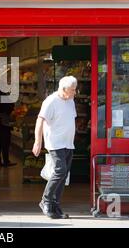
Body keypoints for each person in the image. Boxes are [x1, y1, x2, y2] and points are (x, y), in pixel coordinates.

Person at [32, 76, 77, 219]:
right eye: (72, 90)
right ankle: (46, 201)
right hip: (55, 143)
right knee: (60, 171)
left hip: (68, 143)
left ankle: (55, 206)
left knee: (64, 175)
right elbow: (40, 121)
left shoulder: (70, 100)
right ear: (63, 89)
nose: (74, 92)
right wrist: (37, 141)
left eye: (75, 90)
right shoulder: (51, 101)